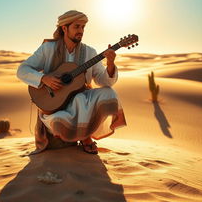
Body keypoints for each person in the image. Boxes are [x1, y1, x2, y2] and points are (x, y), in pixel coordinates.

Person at [17, 10, 126, 154]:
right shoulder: (48, 49)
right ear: (64, 28)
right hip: (54, 105)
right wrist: (43, 78)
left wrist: (110, 64)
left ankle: (85, 136)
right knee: (61, 118)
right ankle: (84, 137)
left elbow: (103, 81)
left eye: (83, 27)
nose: (80, 31)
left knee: (107, 94)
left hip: (84, 105)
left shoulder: (89, 52)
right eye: (77, 27)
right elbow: (22, 70)